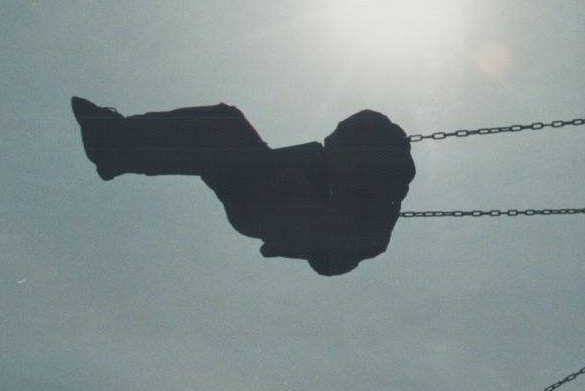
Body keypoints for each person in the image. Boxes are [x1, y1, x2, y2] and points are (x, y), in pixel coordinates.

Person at [70, 97, 415, 275]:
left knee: (221, 130)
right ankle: (117, 150)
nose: (331, 145)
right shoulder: (346, 176)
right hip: (266, 186)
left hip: (270, 203)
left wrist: (290, 245)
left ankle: (114, 145)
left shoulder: (372, 212)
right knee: (218, 133)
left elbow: (335, 260)